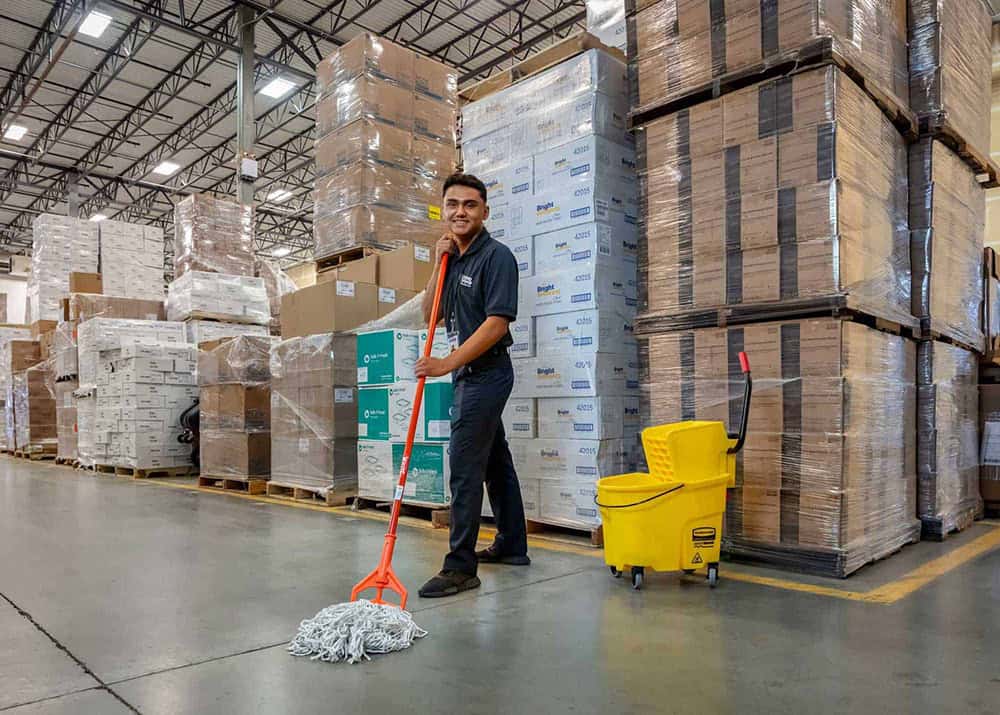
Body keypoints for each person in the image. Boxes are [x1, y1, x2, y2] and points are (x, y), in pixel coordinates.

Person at [414, 172, 530, 598]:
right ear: (444, 210)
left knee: (465, 468)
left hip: (487, 373)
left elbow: (497, 324)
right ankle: (513, 544)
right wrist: (436, 264)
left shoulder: (496, 257)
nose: (460, 211)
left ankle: (461, 566)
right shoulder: (454, 260)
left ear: (485, 211)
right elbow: (430, 315)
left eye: (469, 205)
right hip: (470, 373)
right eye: (452, 205)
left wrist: (445, 364)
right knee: (495, 462)